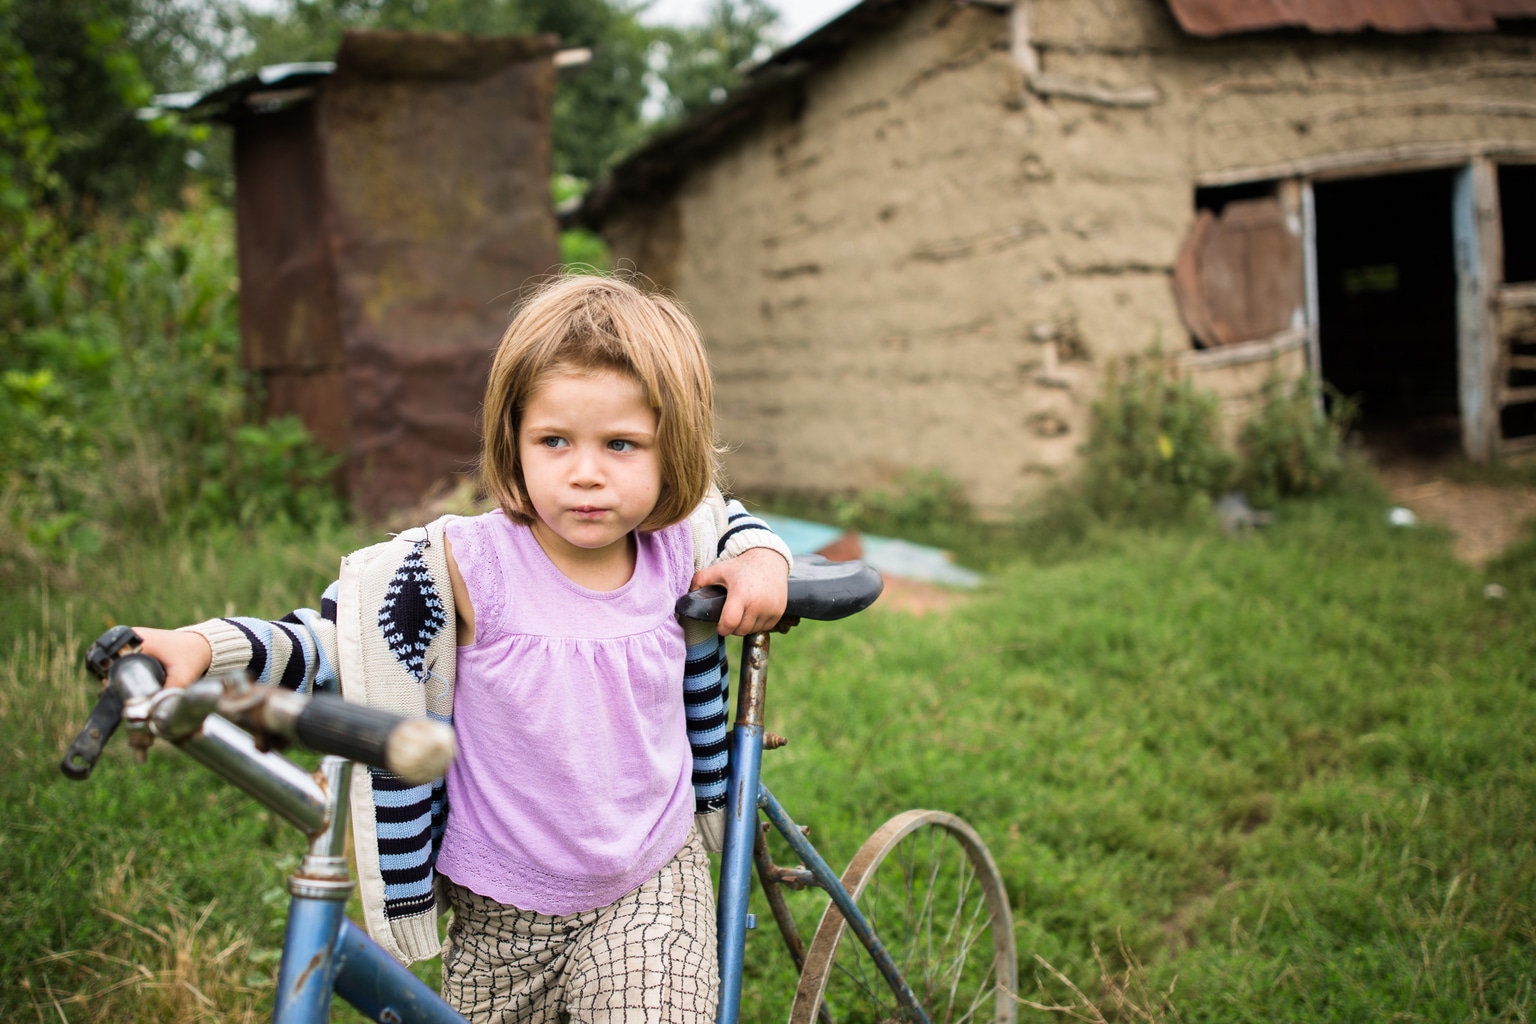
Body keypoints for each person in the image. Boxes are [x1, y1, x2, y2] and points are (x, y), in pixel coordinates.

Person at [133, 274, 793, 1023]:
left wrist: (762, 562)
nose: (585, 472)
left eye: (620, 444)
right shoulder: (465, 568)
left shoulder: (677, 546)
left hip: (648, 880)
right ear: (513, 438)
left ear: (669, 449)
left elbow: (734, 523)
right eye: (554, 441)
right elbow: (337, 638)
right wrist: (206, 646)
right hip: (497, 910)